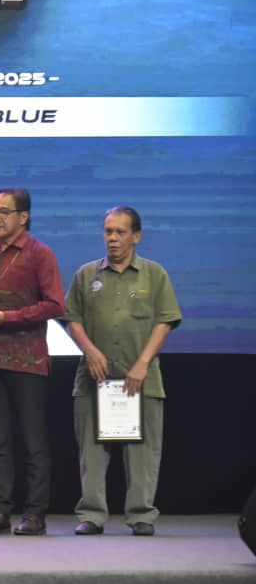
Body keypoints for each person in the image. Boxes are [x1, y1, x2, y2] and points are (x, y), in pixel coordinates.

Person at [63, 206, 181, 536]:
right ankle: (92, 515)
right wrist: (90, 350)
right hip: (94, 378)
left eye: (120, 232)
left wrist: (142, 364)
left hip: (140, 378)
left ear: (136, 236)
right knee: (91, 451)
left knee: (143, 452)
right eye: (108, 231)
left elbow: (165, 320)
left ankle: (141, 515)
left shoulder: (154, 274)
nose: (113, 238)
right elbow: (72, 318)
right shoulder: (86, 274)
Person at [0, 187, 64, 535]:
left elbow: (55, 305)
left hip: (28, 361)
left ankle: (34, 514)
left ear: (23, 217)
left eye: (3, 212)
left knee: (33, 441)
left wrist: (8, 317)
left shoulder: (40, 254)